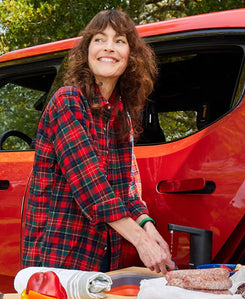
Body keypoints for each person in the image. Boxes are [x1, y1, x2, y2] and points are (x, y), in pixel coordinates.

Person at [21, 9, 173, 275]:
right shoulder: (68, 101)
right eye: (99, 39)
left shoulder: (119, 115)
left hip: (102, 251)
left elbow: (125, 187)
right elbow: (91, 185)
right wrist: (140, 240)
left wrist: (149, 227)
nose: (109, 48)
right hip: (60, 255)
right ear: (87, 51)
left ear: (131, 56)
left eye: (120, 41)